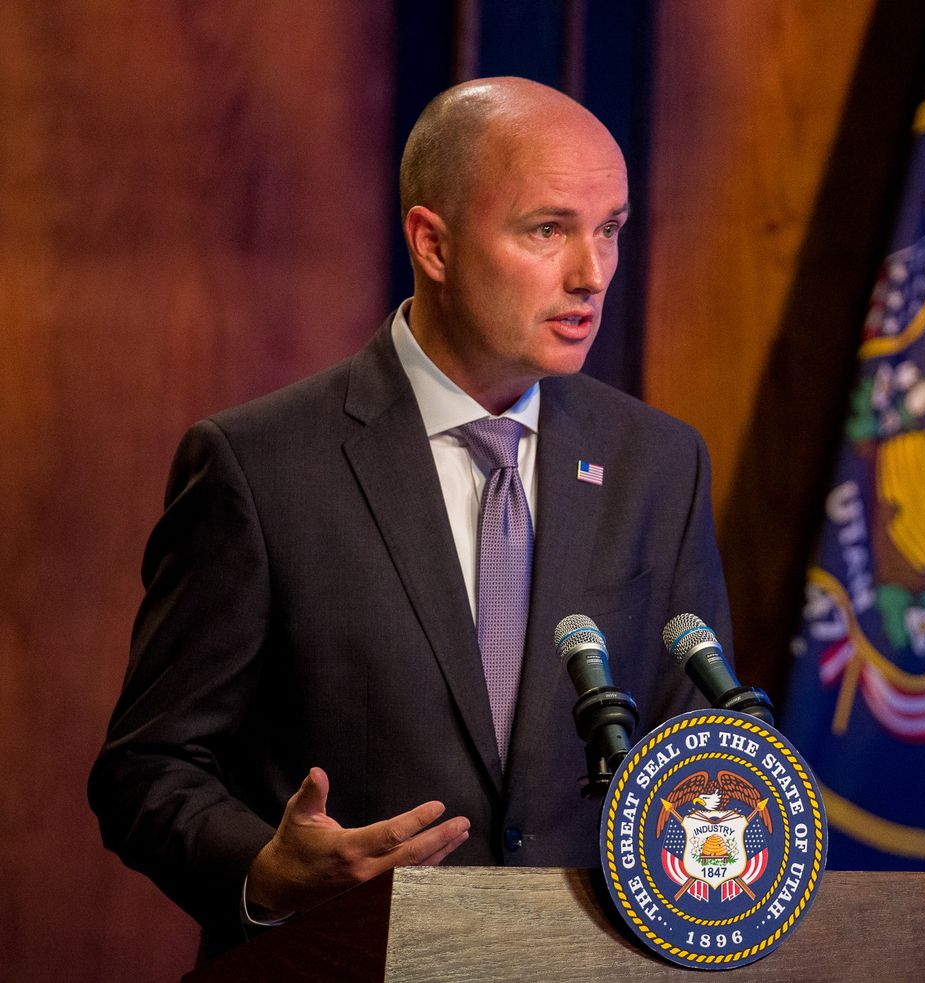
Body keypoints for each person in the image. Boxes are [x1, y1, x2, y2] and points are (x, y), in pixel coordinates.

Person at [88, 77, 732, 958]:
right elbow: (145, 770)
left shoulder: (658, 464)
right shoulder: (259, 466)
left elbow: (696, 755)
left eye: (610, 229)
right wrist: (267, 872)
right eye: (548, 229)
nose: (592, 273)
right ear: (432, 243)